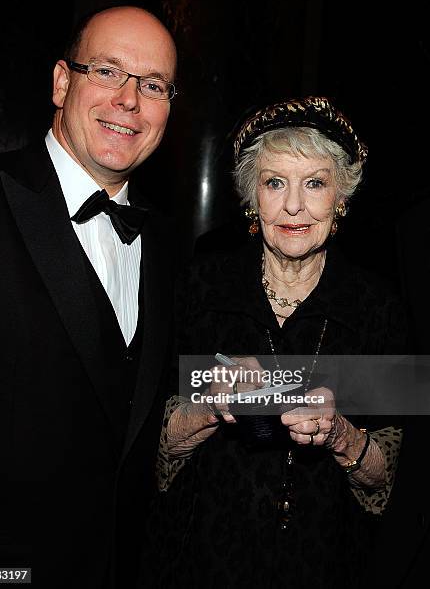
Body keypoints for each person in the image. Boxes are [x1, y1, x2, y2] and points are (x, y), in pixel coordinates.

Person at [142, 96, 405, 588]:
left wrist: (341, 435)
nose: (293, 206)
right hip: (200, 560)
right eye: (274, 182)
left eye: (315, 183)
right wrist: (209, 404)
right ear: (251, 198)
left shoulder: (376, 307)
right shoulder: (198, 290)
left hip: (326, 563)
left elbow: (391, 477)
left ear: (341, 197)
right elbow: (146, 445)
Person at [0, 6, 177, 588]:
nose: (130, 100)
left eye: (153, 85)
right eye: (108, 72)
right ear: (63, 82)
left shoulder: (169, 246)